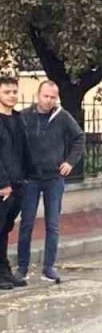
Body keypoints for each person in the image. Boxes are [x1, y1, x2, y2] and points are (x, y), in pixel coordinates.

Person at [17, 80, 82, 285]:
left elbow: (79, 138)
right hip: (30, 179)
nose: (49, 100)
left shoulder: (63, 117)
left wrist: (70, 162)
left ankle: (49, 267)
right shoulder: (24, 117)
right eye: (46, 96)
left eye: (53, 97)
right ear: (38, 95)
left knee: (52, 224)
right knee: (26, 223)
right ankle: (22, 267)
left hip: (54, 178)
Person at [0, 76, 30, 290]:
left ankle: (4, 271)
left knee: (5, 229)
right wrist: (3, 183)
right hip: (3, 185)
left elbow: (24, 151)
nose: (12, 95)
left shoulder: (19, 118)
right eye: (6, 92)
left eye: (14, 92)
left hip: (18, 183)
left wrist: (28, 175)